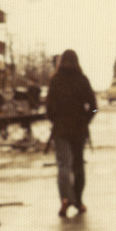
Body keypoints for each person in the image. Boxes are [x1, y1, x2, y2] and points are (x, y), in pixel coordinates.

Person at [45, 49, 97, 217]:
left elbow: (48, 107)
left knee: (63, 165)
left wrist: (55, 121)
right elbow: (94, 106)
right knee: (78, 166)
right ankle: (79, 201)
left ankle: (65, 199)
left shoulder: (55, 80)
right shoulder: (82, 80)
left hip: (61, 129)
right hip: (79, 130)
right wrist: (87, 119)